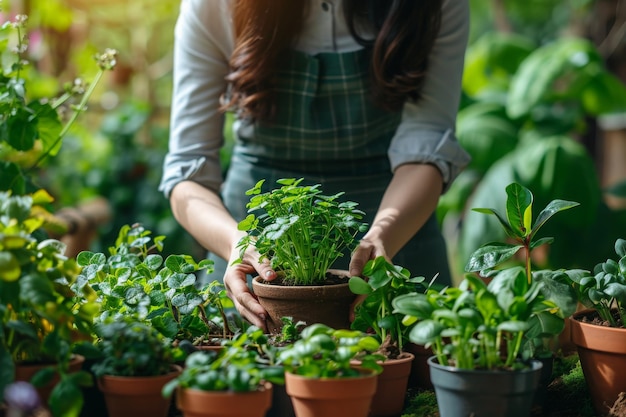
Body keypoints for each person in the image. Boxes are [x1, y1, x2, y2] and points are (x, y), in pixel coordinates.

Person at [159, 0, 471, 331]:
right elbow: (187, 173)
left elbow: (428, 142)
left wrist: (384, 235)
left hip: (398, 237)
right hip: (255, 256)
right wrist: (236, 243)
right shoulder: (215, 6)